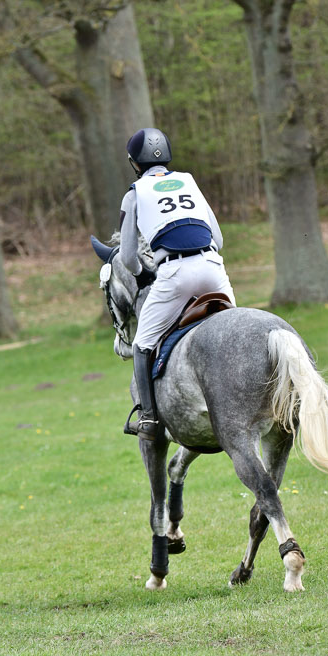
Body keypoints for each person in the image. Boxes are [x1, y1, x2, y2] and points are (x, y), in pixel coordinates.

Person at [119, 127, 236, 441]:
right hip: (213, 268)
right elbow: (219, 239)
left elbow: (129, 258)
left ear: (134, 163)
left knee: (142, 344)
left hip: (175, 274)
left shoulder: (134, 194)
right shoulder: (188, 181)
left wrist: (144, 273)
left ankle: (148, 419)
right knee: (236, 333)